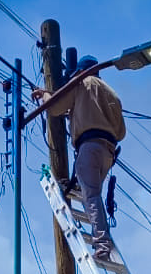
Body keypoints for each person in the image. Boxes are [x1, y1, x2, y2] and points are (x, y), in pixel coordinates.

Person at [33, 56, 126, 263]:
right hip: (108, 152)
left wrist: (46, 95)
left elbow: (55, 108)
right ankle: (77, 190)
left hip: (89, 146)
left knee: (91, 196)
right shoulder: (112, 94)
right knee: (90, 193)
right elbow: (121, 132)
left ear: (81, 72)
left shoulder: (82, 82)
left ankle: (102, 246)